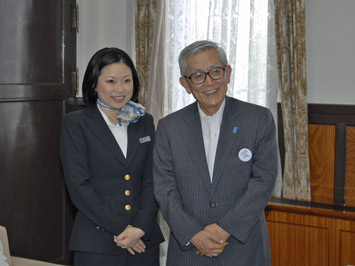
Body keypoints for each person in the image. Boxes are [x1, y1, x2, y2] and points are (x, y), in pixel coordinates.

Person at [153, 40, 278, 266]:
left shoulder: (258, 119)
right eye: (198, 75)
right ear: (185, 84)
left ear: (228, 73)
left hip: (243, 247)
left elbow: (264, 180)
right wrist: (194, 234)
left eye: (215, 71)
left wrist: (224, 229)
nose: (209, 82)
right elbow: (164, 188)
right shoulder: (169, 127)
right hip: (189, 250)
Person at [60, 47, 164, 266]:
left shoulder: (144, 121)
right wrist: (123, 229)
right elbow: (79, 186)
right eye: (110, 81)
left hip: (143, 241)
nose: (120, 89)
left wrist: (140, 227)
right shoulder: (76, 124)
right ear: (93, 84)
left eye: (126, 80)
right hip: (97, 242)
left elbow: (152, 179)